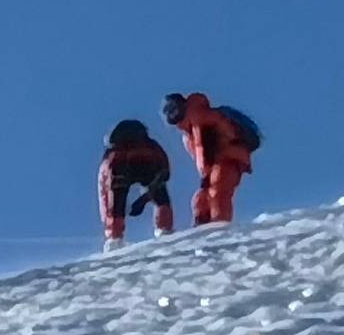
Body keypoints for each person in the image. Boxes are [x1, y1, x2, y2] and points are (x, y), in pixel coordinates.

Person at [163, 92, 259, 224]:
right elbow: (200, 154)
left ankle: (219, 225)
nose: (172, 114)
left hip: (229, 156)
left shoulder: (199, 114)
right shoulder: (188, 135)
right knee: (201, 198)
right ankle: (204, 227)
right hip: (215, 163)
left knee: (218, 188)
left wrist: (205, 173)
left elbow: (204, 145)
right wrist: (204, 174)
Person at [99, 118, 176, 245]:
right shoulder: (151, 146)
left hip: (120, 166)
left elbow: (106, 195)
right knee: (161, 198)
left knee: (116, 204)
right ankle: (165, 230)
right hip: (149, 163)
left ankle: (114, 238)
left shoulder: (112, 155)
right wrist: (145, 198)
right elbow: (164, 170)